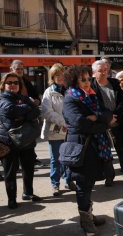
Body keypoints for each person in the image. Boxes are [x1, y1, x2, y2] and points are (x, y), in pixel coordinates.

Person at [63, 65, 114, 234]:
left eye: (87, 79)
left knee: (89, 183)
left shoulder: (92, 95)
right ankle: (86, 222)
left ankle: (89, 215)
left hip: (95, 145)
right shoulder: (71, 98)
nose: (86, 83)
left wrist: (97, 118)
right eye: (82, 80)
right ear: (74, 81)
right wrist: (102, 125)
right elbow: (78, 123)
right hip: (80, 146)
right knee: (83, 185)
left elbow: (107, 113)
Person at [91, 60, 123, 186]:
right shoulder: (91, 86)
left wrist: (115, 116)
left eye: (105, 70)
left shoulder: (114, 83)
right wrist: (108, 117)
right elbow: (93, 106)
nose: (103, 73)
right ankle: (109, 176)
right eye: (100, 71)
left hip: (118, 122)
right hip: (102, 124)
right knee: (105, 153)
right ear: (94, 73)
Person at [0, 72, 42, 209]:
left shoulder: (23, 97)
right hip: (8, 141)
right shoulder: (2, 99)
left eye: (15, 82)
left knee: (28, 168)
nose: (13, 85)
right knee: (10, 171)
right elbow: (10, 110)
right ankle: (11, 199)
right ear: (3, 85)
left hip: (26, 139)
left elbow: (36, 111)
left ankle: (28, 193)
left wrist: (24, 112)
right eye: (9, 83)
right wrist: (27, 109)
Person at [41, 63, 75, 196]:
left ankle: (68, 180)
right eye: (57, 75)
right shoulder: (48, 92)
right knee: (55, 159)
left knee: (69, 158)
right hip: (55, 131)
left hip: (70, 130)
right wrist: (63, 122)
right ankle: (55, 184)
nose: (60, 78)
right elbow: (47, 112)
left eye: (62, 75)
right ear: (52, 77)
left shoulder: (70, 90)